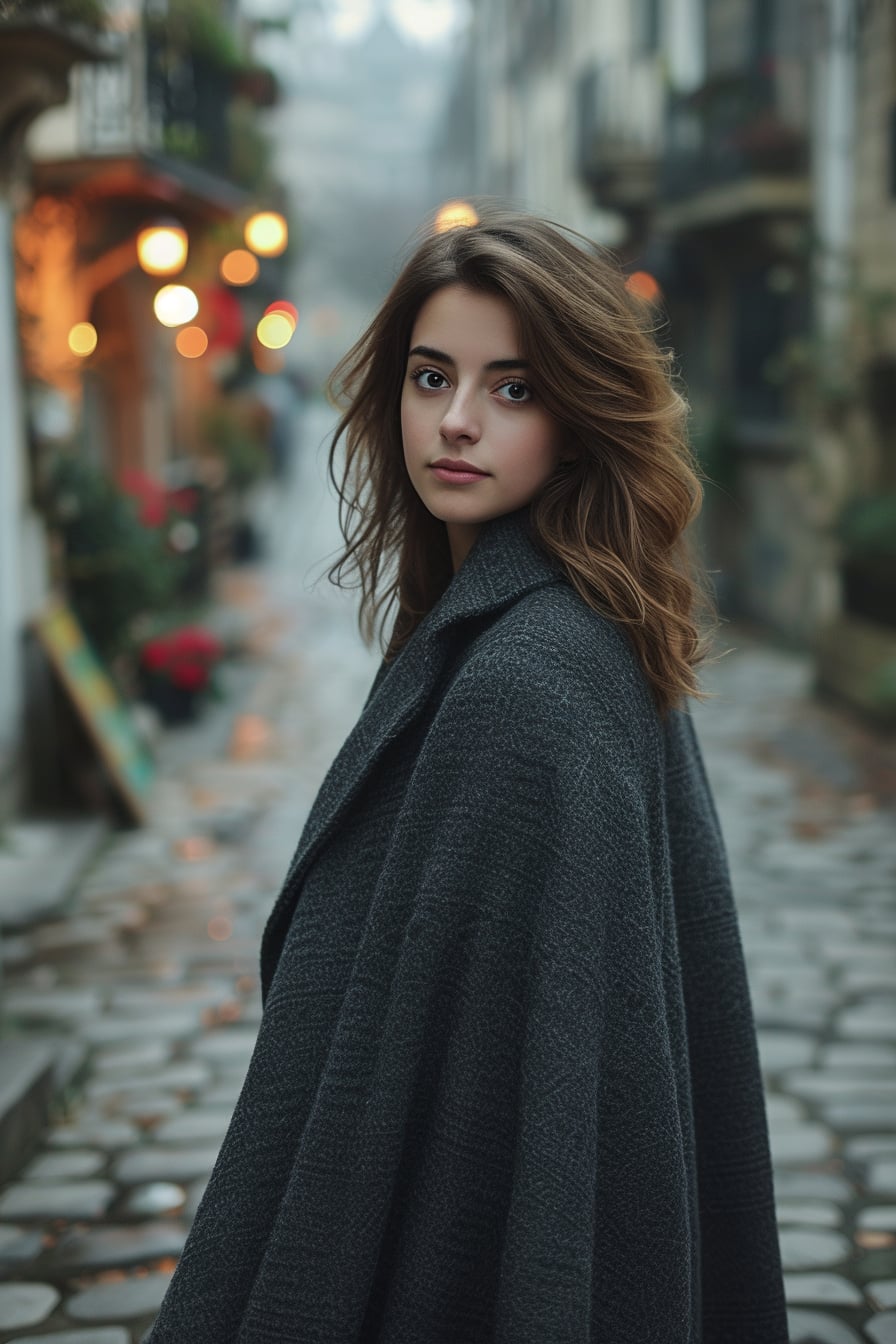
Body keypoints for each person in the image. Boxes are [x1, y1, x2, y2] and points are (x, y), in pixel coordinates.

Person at [145, 209, 789, 1343]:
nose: (454, 421)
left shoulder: (532, 679)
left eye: (513, 389)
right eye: (431, 376)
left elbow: (519, 1111)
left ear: (581, 418)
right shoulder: (558, 623)